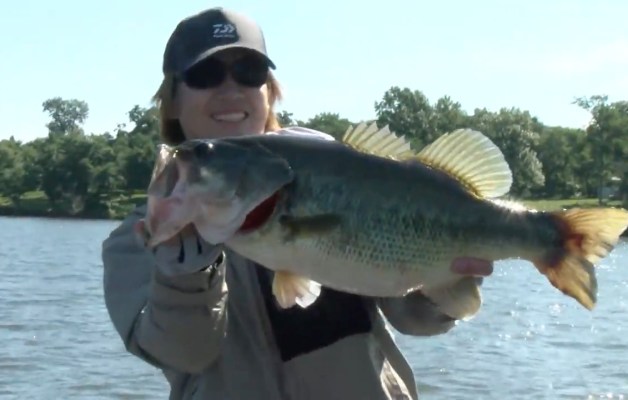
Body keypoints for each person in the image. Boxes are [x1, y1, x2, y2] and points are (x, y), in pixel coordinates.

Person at [101, 7, 493, 400]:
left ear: (270, 91)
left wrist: (446, 282)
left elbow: (413, 318)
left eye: (249, 72)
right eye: (206, 74)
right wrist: (184, 275)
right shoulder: (137, 241)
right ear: (171, 100)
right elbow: (183, 352)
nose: (230, 89)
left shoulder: (331, 168)